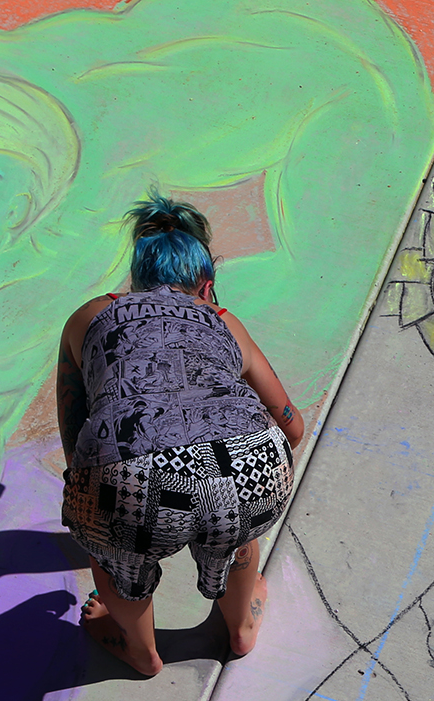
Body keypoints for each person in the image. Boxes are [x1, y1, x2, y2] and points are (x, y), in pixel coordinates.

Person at [58, 194, 305, 675]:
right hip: (246, 461)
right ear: (206, 286)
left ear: (136, 279)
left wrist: (96, 498)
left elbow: (75, 428)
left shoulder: (89, 315)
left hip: (128, 471)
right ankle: (240, 627)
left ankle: (141, 651)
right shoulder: (223, 320)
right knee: (236, 535)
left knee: (111, 552)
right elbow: (291, 426)